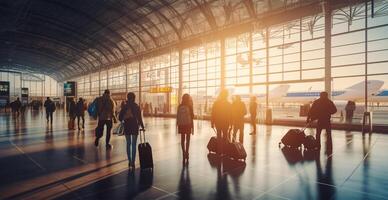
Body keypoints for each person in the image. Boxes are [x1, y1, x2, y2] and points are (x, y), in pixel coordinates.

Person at [119, 92, 145, 169]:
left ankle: (129, 161)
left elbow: (120, 118)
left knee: (128, 143)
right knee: (133, 144)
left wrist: (126, 116)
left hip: (127, 126)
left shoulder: (125, 106)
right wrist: (143, 127)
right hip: (134, 126)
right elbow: (140, 118)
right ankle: (133, 162)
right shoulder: (136, 106)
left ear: (127, 98)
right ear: (134, 98)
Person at [211, 89, 232, 156]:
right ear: (226, 95)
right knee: (225, 136)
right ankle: (225, 151)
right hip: (226, 122)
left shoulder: (216, 103)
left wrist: (212, 122)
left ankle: (219, 151)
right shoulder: (228, 104)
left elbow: (213, 113)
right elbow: (230, 114)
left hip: (218, 122)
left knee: (219, 136)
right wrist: (231, 124)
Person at [176, 94, 194, 163]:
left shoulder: (179, 106)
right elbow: (192, 116)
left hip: (181, 125)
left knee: (182, 139)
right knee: (188, 139)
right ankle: (187, 152)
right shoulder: (189, 106)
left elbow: (177, 116)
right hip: (188, 124)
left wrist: (178, 124)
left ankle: (183, 153)